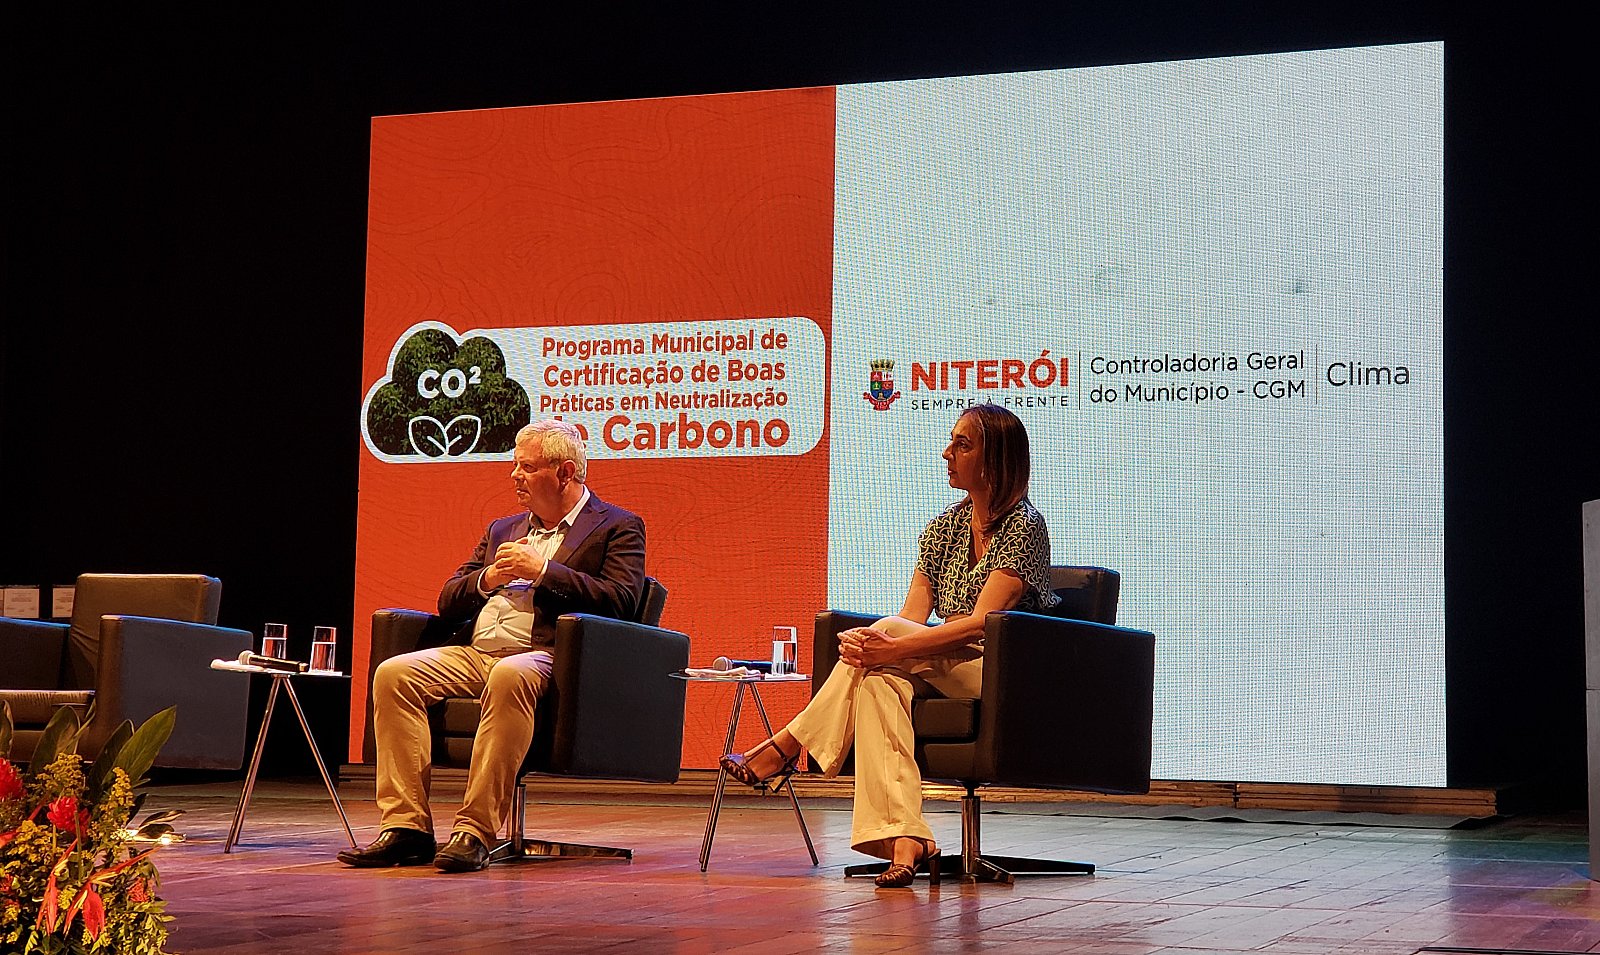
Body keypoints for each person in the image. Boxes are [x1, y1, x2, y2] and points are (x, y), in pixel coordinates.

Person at [721, 403, 1058, 888]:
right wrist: (876, 649)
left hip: (1005, 670)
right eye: (951, 441)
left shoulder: (1024, 526)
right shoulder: (944, 528)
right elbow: (911, 618)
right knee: (878, 682)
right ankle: (905, 840)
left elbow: (980, 626)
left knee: (886, 640)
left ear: (996, 459)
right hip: (946, 663)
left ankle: (787, 745)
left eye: (962, 445)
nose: (946, 453)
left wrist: (889, 643)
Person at [339, 419, 646, 873]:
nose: (514, 476)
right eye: (514, 466)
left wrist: (543, 571)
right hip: (477, 652)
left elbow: (622, 600)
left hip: (549, 656)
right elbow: (448, 600)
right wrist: (489, 577)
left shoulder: (617, 525)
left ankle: (475, 832)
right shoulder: (503, 529)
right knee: (395, 674)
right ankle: (406, 829)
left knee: (509, 674)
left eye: (527, 467)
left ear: (564, 472)